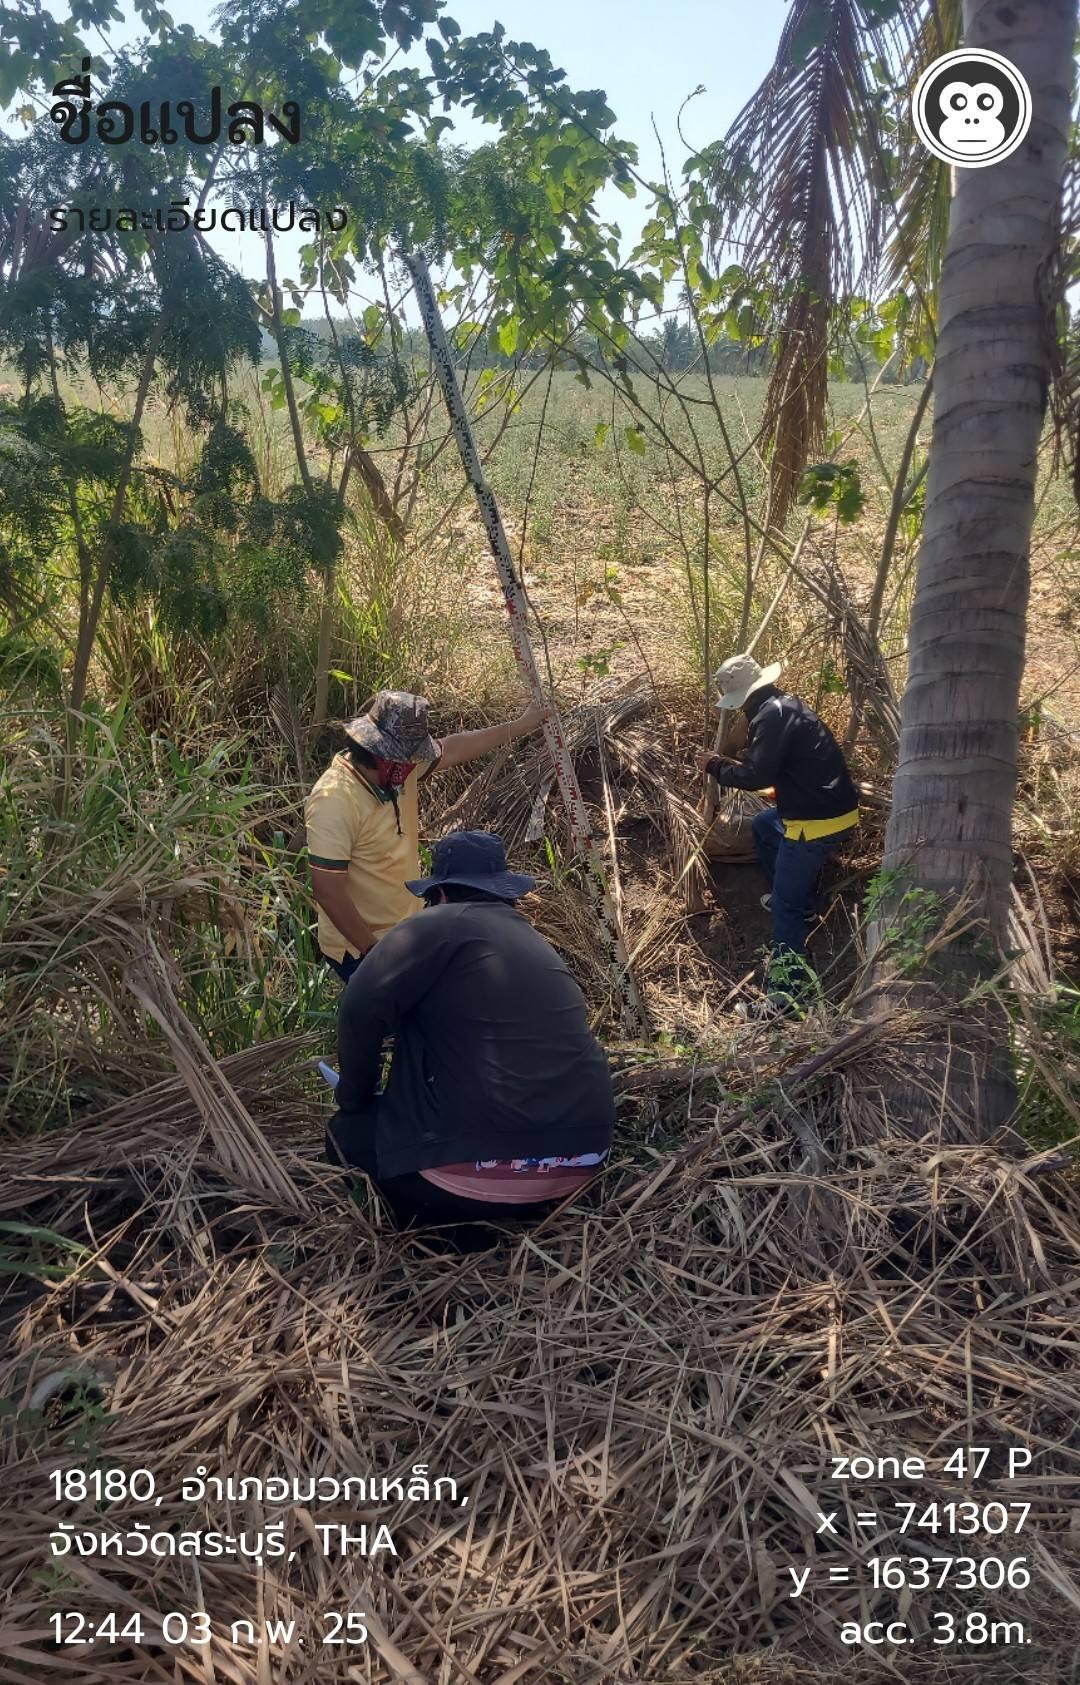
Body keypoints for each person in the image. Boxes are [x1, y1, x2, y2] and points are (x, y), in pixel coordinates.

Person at [325, 830, 614, 1230]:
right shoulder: (535, 942)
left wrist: (354, 1098)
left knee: (347, 1134)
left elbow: (359, 1008)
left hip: (468, 1180)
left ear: (440, 894)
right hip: (582, 1162)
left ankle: (445, 1236)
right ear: (504, 893)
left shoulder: (437, 923)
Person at [305, 690, 547, 983]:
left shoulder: (401, 766)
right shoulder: (334, 799)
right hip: (360, 948)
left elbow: (455, 748)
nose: (411, 766)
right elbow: (328, 890)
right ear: (376, 751)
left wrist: (520, 725)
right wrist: (376, 956)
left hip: (405, 929)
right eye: (404, 759)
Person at [695, 653, 858, 1014]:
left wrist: (715, 765)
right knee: (763, 825)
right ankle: (804, 908)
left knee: (783, 907)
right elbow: (791, 765)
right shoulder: (786, 705)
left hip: (813, 823)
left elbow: (757, 775)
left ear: (742, 697)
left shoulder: (770, 717)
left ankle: (784, 998)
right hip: (833, 809)